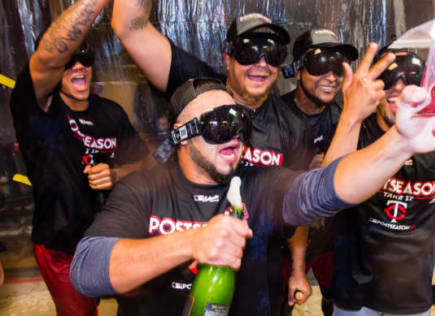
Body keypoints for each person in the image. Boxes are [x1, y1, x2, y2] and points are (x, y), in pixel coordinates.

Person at [71, 71, 435, 316]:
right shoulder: (145, 189)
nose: (235, 135)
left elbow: (324, 190)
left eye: (240, 123)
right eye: (218, 124)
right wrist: (192, 242)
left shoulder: (257, 184)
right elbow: (87, 270)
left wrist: (399, 144)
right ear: (182, 138)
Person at [111, 2, 313, 313]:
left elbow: (301, 205)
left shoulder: (293, 124)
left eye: (272, 53)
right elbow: (128, 25)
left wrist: (298, 269)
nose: (261, 63)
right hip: (184, 262)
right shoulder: (199, 90)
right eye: (249, 51)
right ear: (227, 58)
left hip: (259, 266)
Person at [9, 0, 148, 315]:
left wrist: (117, 174)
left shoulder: (110, 113)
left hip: (117, 239)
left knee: (142, 306)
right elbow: (47, 59)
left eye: (84, 58)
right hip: (62, 247)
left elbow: (143, 162)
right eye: (67, 61)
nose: (78, 67)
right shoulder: (37, 109)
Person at [322, 47, 435, 315]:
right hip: (354, 285)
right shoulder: (357, 130)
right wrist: (351, 114)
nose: (399, 88)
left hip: (410, 288)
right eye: (390, 77)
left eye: (411, 78)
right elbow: (325, 194)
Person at [280, 29, 359, 315]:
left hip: (333, 238)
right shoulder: (275, 116)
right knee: (283, 301)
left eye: (338, 67)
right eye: (319, 64)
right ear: (298, 69)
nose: (331, 76)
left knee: (337, 302)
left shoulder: (347, 116)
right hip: (285, 241)